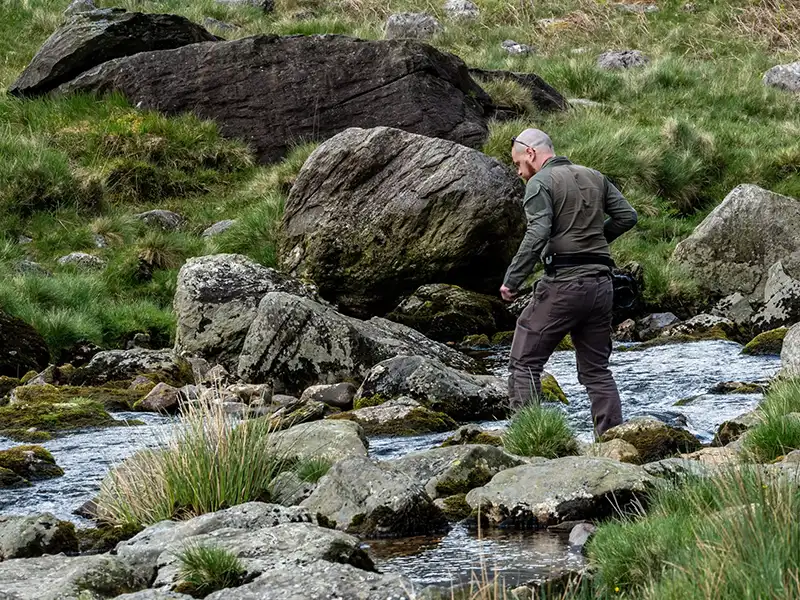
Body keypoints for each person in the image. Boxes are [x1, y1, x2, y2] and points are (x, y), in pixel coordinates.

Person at [501, 128, 638, 437]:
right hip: (602, 286)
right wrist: (597, 241)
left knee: (524, 362)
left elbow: (537, 233)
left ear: (531, 154)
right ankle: (612, 440)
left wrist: (513, 280)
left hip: (563, 284)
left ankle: (529, 438)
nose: (518, 171)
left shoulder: (540, 183)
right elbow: (627, 216)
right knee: (596, 371)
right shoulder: (595, 176)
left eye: (517, 162)